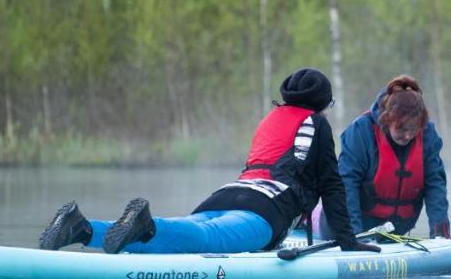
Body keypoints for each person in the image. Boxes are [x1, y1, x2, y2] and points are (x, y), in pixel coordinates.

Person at [37, 68, 380, 255]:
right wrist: (348, 241)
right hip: (264, 210)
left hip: (226, 195)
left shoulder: (272, 119)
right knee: (206, 240)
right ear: (321, 104)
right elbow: (332, 184)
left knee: (190, 234)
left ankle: (82, 228)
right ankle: (148, 224)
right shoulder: (315, 123)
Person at [336, 75, 451, 238]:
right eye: (402, 129)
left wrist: (441, 236)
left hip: (394, 231)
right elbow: (346, 185)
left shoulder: (427, 134)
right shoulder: (360, 131)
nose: (408, 136)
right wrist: (353, 237)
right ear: (387, 119)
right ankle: (311, 220)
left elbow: (436, 186)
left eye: (413, 129)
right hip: (353, 225)